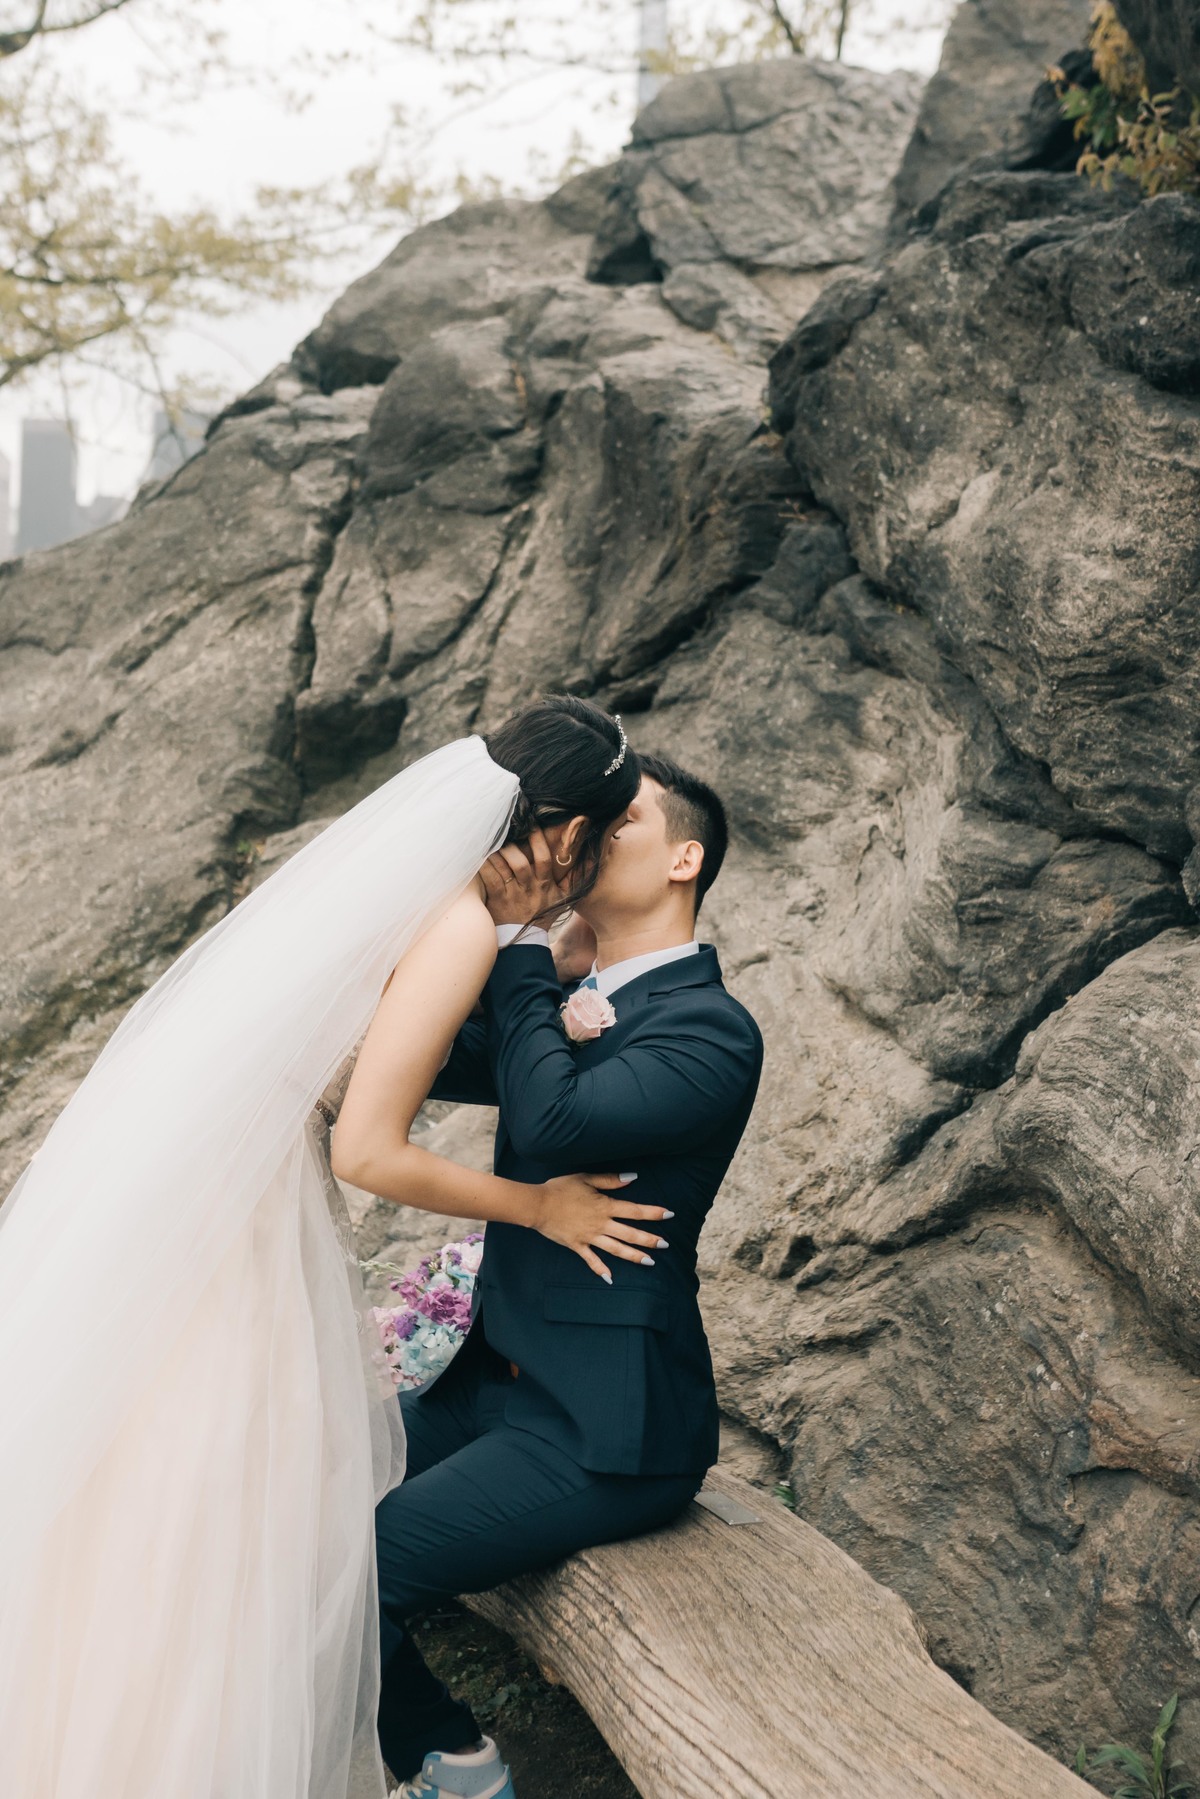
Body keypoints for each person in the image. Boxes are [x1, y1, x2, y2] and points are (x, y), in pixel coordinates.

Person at [0, 695, 667, 1799]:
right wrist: (539, 1205)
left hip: (202, 1185)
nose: (595, 864)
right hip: (244, 1220)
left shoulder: (416, 894)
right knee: (220, 1489)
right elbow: (368, 1145)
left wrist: (549, 972)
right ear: (558, 830)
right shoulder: (454, 921)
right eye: (599, 837)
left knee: (156, 1481)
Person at [343, 753, 764, 1799]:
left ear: (684, 857)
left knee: (362, 1566)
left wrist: (529, 945)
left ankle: (455, 1758)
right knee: (302, 1497)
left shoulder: (712, 1028)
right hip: (492, 1382)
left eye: (620, 817)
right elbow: (431, 1052)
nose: (589, 829)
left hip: (606, 1431)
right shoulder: (567, 994)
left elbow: (553, 1121)